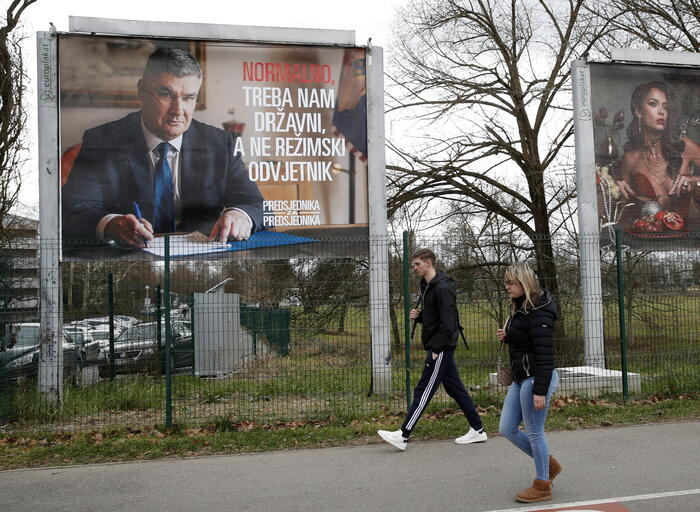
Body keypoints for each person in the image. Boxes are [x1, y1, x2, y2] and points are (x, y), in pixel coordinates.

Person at [62, 47, 264, 247]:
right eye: (166, 95)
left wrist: (240, 215)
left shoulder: (219, 144)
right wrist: (112, 224)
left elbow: (257, 205)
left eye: (188, 98)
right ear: (142, 91)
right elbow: (74, 210)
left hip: (203, 261)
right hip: (129, 262)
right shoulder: (102, 140)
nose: (178, 110)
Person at [377, 248, 486, 451]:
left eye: (417, 264)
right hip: (440, 345)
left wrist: (437, 348)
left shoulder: (442, 288)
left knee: (424, 389)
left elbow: (448, 322)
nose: (414, 268)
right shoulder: (428, 286)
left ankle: (403, 435)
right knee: (456, 389)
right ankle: (478, 430)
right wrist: (420, 317)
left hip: (441, 347)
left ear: (429, 263)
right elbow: (435, 317)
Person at [497, 262, 559, 503]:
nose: (507, 287)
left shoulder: (540, 310)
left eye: (511, 283)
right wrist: (509, 336)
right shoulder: (521, 307)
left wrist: (540, 391)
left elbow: (544, 353)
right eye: (506, 282)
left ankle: (543, 485)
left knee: (534, 432)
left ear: (525, 283)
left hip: (536, 379)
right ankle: (548, 463)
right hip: (521, 377)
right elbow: (526, 340)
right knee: (507, 429)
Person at [612, 81, 700, 228]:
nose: (661, 112)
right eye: (653, 104)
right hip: (650, 242)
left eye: (665, 107)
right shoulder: (631, 159)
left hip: (694, 239)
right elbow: (623, 211)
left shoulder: (685, 147)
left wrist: (696, 181)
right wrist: (614, 186)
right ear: (638, 112)